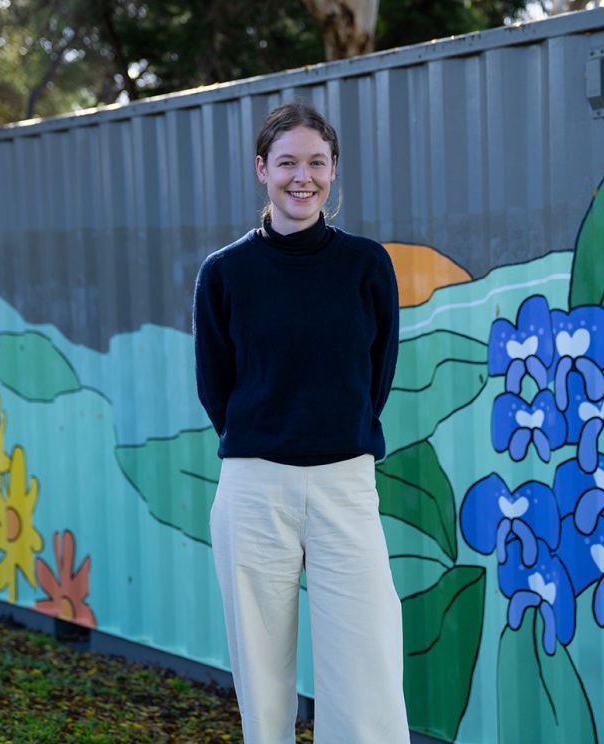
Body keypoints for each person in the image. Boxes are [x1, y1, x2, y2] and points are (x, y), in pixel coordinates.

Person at [193, 101, 410, 744]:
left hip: (345, 483)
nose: (302, 177)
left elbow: (377, 376)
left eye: (316, 162)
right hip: (255, 486)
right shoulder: (225, 273)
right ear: (262, 169)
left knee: (365, 664)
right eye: (286, 162)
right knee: (262, 677)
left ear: (334, 171)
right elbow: (217, 388)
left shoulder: (366, 265)